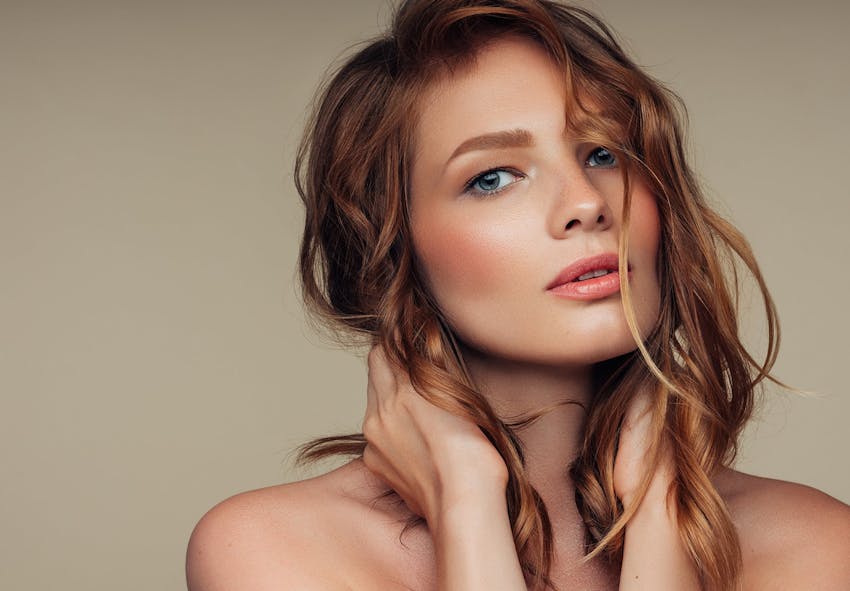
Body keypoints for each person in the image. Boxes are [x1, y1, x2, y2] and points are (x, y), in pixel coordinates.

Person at [185, 1, 850, 589]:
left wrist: (660, 510)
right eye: (493, 177)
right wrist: (464, 499)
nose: (586, 204)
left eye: (603, 153)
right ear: (392, 249)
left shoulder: (813, 545)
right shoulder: (276, 550)